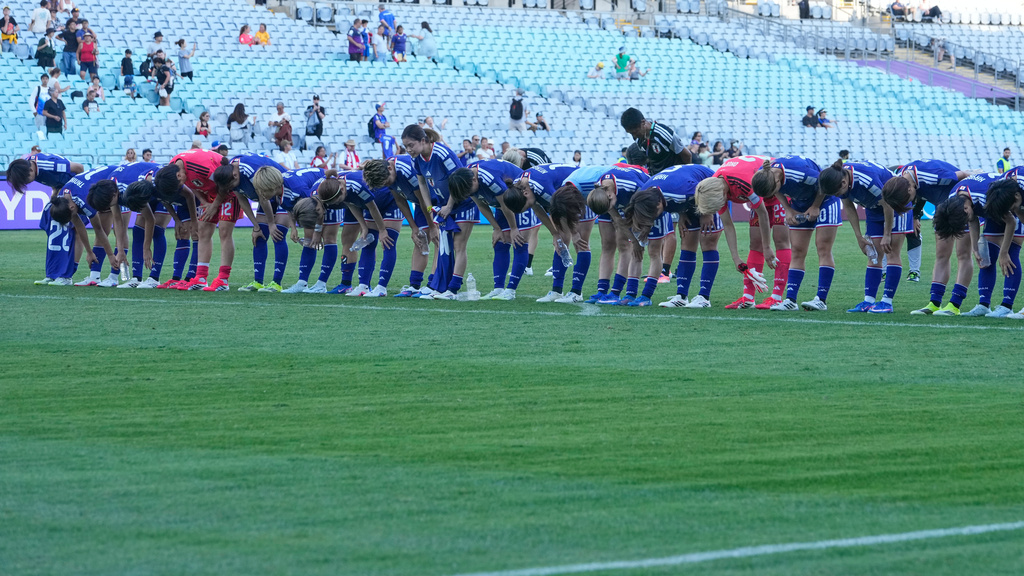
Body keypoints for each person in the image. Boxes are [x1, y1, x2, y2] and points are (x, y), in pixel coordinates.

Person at [751, 157, 842, 312]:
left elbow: (824, 184)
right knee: (797, 251)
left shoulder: (800, 173)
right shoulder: (765, 174)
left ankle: (821, 299)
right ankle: (791, 300)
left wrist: (815, 206)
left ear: (777, 181)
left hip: (826, 200)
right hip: (799, 203)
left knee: (823, 248)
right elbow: (777, 191)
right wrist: (787, 209)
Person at [694, 156, 785, 309]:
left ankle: (777, 296)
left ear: (723, 195)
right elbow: (728, 225)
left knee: (780, 240)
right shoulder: (715, 187)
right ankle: (748, 298)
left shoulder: (742, 183)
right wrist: (736, 259)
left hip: (773, 185)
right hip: (754, 185)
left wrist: (767, 247)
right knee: (754, 242)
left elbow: (762, 213)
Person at [882, 159, 971, 315]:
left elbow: (964, 175)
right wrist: (915, 215)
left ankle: (954, 305)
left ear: (910, 189)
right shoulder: (903, 179)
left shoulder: (929, 175)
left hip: (961, 206)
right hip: (942, 207)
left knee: (963, 253)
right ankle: (934, 303)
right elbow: (920, 195)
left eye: (907, 201)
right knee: (942, 254)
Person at [152, 148, 241, 291]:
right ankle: (201, 277)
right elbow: (192, 186)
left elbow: (226, 183)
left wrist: (215, 205)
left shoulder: (201, 167)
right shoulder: (173, 170)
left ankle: (223, 280)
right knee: (203, 231)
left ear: (179, 175)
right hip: (210, 192)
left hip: (229, 190)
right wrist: (203, 201)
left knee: (224, 232)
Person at [931, 174, 1018, 317]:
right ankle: (984, 304)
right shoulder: (955, 198)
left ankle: (1007, 305)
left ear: (966, 208)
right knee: (986, 257)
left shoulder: (985, 197)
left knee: (1011, 254)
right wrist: (975, 248)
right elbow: (972, 219)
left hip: (1012, 208)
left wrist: (1004, 252)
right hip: (991, 209)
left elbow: (1011, 222)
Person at [402, 124, 470, 299]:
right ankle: (440, 287)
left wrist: (449, 205)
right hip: (442, 206)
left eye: (411, 145)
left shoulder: (441, 153)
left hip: (463, 202)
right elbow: (422, 184)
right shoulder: (416, 158)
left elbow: (458, 179)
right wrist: (429, 209)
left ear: (423, 140)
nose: (409, 150)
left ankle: (453, 289)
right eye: (406, 147)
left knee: (458, 246)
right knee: (444, 247)